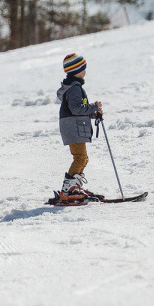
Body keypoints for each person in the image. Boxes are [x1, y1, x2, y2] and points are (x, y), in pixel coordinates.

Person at [56, 53, 103, 201]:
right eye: (84, 69)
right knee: (80, 158)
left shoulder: (73, 87)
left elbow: (77, 110)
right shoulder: (74, 88)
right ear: (77, 71)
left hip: (74, 126)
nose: (85, 72)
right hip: (73, 127)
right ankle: (67, 191)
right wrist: (94, 106)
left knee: (83, 158)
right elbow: (76, 109)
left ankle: (74, 187)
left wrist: (94, 114)